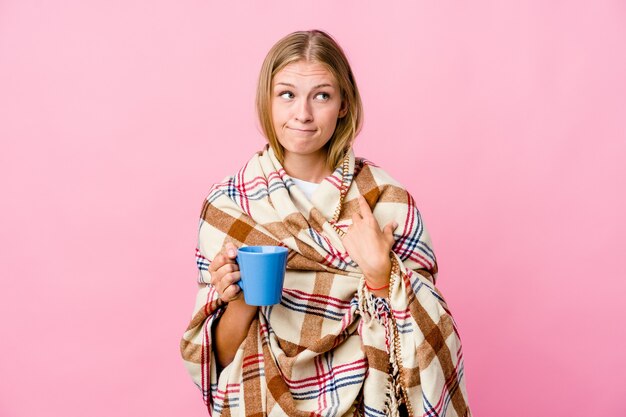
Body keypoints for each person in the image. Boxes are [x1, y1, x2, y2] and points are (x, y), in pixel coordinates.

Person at [180, 29, 471, 417]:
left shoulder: (385, 199)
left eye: (321, 95)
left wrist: (381, 277)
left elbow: (428, 338)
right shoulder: (230, 206)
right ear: (267, 101)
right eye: (287, 94)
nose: (302, 113)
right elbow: (216, 363)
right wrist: (240, 300)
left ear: (344, 105)